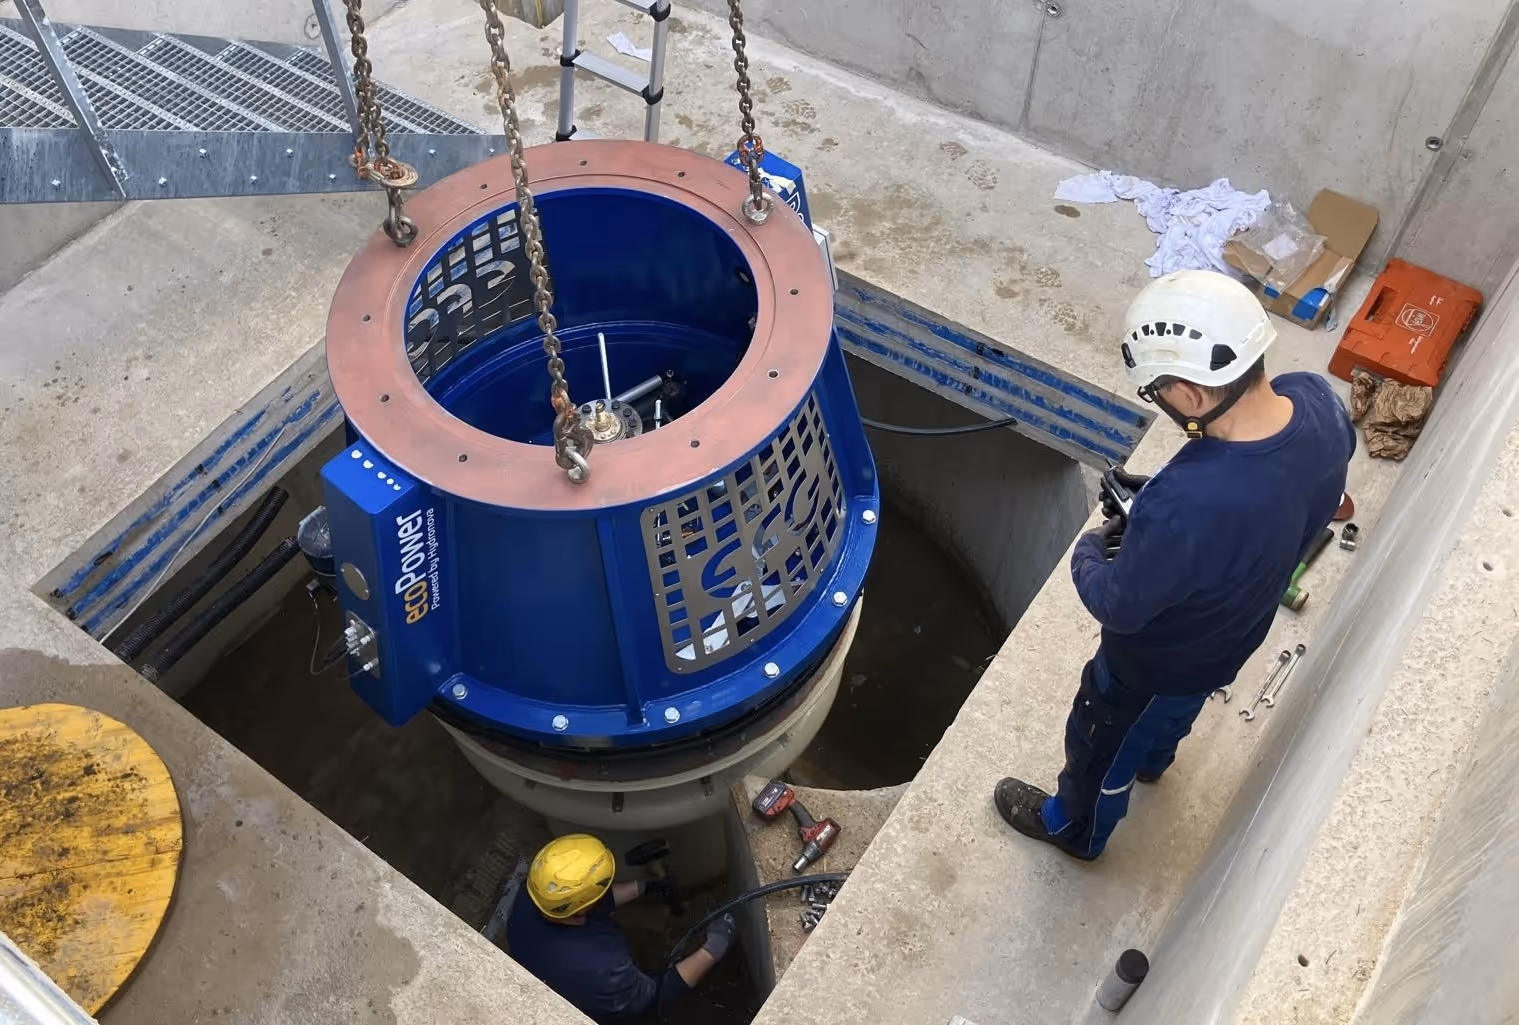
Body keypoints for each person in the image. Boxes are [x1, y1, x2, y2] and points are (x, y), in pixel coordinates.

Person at [993, 270, 1355, 861]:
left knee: (1100, 747)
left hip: (1150, 666)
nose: (1161, 404)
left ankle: (1073, 830)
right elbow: (1270, 493)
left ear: (1187, 393)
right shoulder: (1317, 401)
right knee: (1171, 718)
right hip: (1232, 640)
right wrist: (1161, 505)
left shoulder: (1188, 502)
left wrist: (1090, 549)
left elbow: (1119, 604)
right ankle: (1155, 761)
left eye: (1158, 392)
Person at [506, 833, 737, 1023]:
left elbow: (588, 905)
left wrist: (642, 887)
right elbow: (656, 999)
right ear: (581, 910)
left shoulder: (536, 892)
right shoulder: (603, 968)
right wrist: (713, 949)